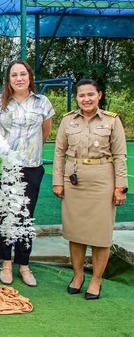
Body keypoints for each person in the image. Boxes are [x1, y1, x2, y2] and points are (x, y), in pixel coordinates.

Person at [53, 79, 128, 300]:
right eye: (82, 95)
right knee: (75, 232)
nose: (86, 99)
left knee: (100, 235)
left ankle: (96, 280)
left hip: (102, 181)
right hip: (74, 182)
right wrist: (58, 181)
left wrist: (120, 187)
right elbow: (59, 152)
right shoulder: (68, 120)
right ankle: (78, 276)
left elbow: (120, 155)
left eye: (91, 94)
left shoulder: (112, 121)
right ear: (77, 98)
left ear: (99, 95)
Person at [0, 60, 54, 287]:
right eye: (14, 75)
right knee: (4, 215)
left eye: (23, 74)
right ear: (9, 79)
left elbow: (45, 132)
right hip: (3, 167)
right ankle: (5, 263)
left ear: (29, 77)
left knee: (25, 216)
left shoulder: (42, 103)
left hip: (31, 167)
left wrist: (29, 151)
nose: (19, 78)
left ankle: (24, 264)